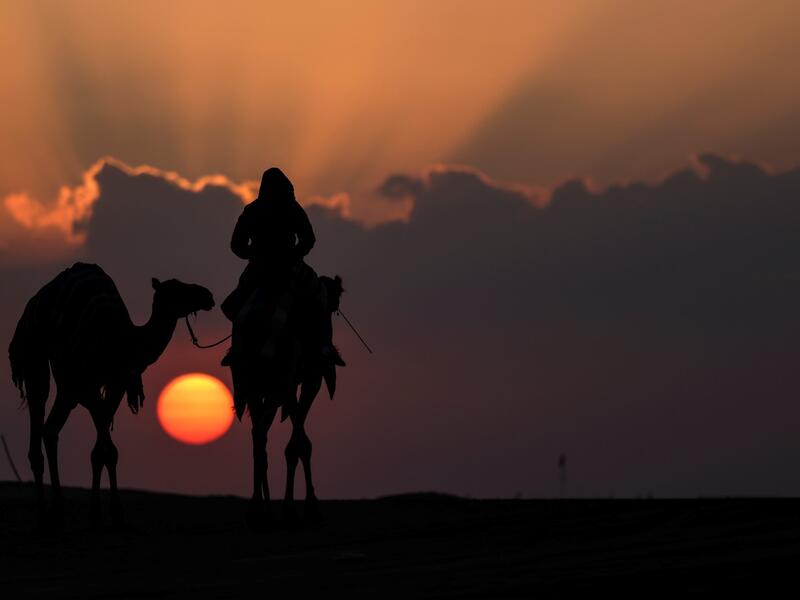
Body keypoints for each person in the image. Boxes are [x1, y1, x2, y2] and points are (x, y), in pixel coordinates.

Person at [220, 168, 344, 367]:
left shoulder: (253, 210)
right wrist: (290, 255)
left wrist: (254, 254)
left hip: (264, 268)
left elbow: (237, 245)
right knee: (319, 298)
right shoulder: (290, 208)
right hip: (283, 267)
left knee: (236, 305)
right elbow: (308, 239)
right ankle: (324, 347)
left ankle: (237, 350)